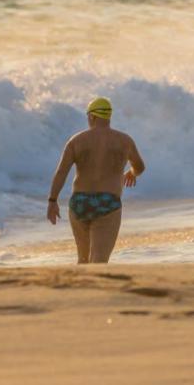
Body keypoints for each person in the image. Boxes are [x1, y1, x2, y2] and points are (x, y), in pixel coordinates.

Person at [46, 97, 145, 263]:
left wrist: (52, 200)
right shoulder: (124, 141)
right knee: (99, 261)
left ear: (92, 117)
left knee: (83, 260)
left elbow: (61, 172)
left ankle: (81, 288)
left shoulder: (76, 140)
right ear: (108, 117)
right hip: (108, 203)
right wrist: (132, 173)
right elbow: (140, 166)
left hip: (79, 202)